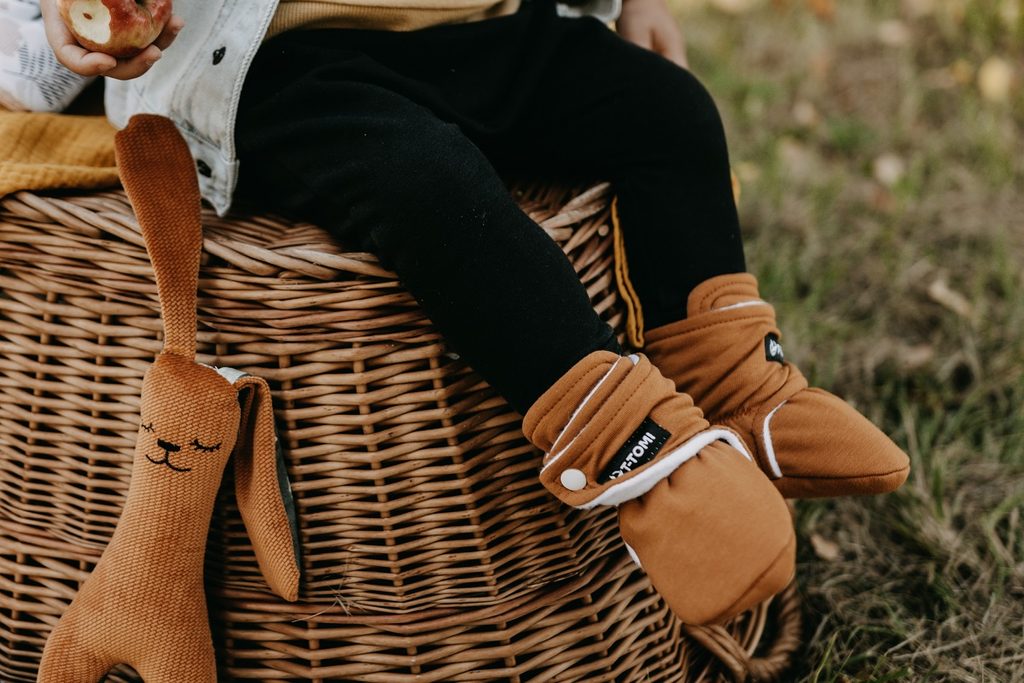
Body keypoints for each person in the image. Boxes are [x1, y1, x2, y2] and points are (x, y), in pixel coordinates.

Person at [41, 0, 909, 626]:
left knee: (668, 109)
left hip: (488, 31)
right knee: (425, 183)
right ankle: (640, 455)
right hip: (283, 69)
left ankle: (741, 387)